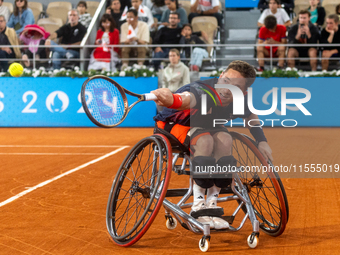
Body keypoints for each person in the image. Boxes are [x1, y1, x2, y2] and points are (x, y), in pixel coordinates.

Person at [151, 60, 273, 229]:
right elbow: (185, 99)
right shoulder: (202, 91)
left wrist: (262, 141)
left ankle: (211, 203)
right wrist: (170, 98)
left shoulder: (240, 100)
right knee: (205, 140)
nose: (227, 89)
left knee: (226, 139)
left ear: (243, 92)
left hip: (207, 126)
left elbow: (250, 116)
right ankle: (198, 205)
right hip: (175, 125)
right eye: (226, 81)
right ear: (221, 75)